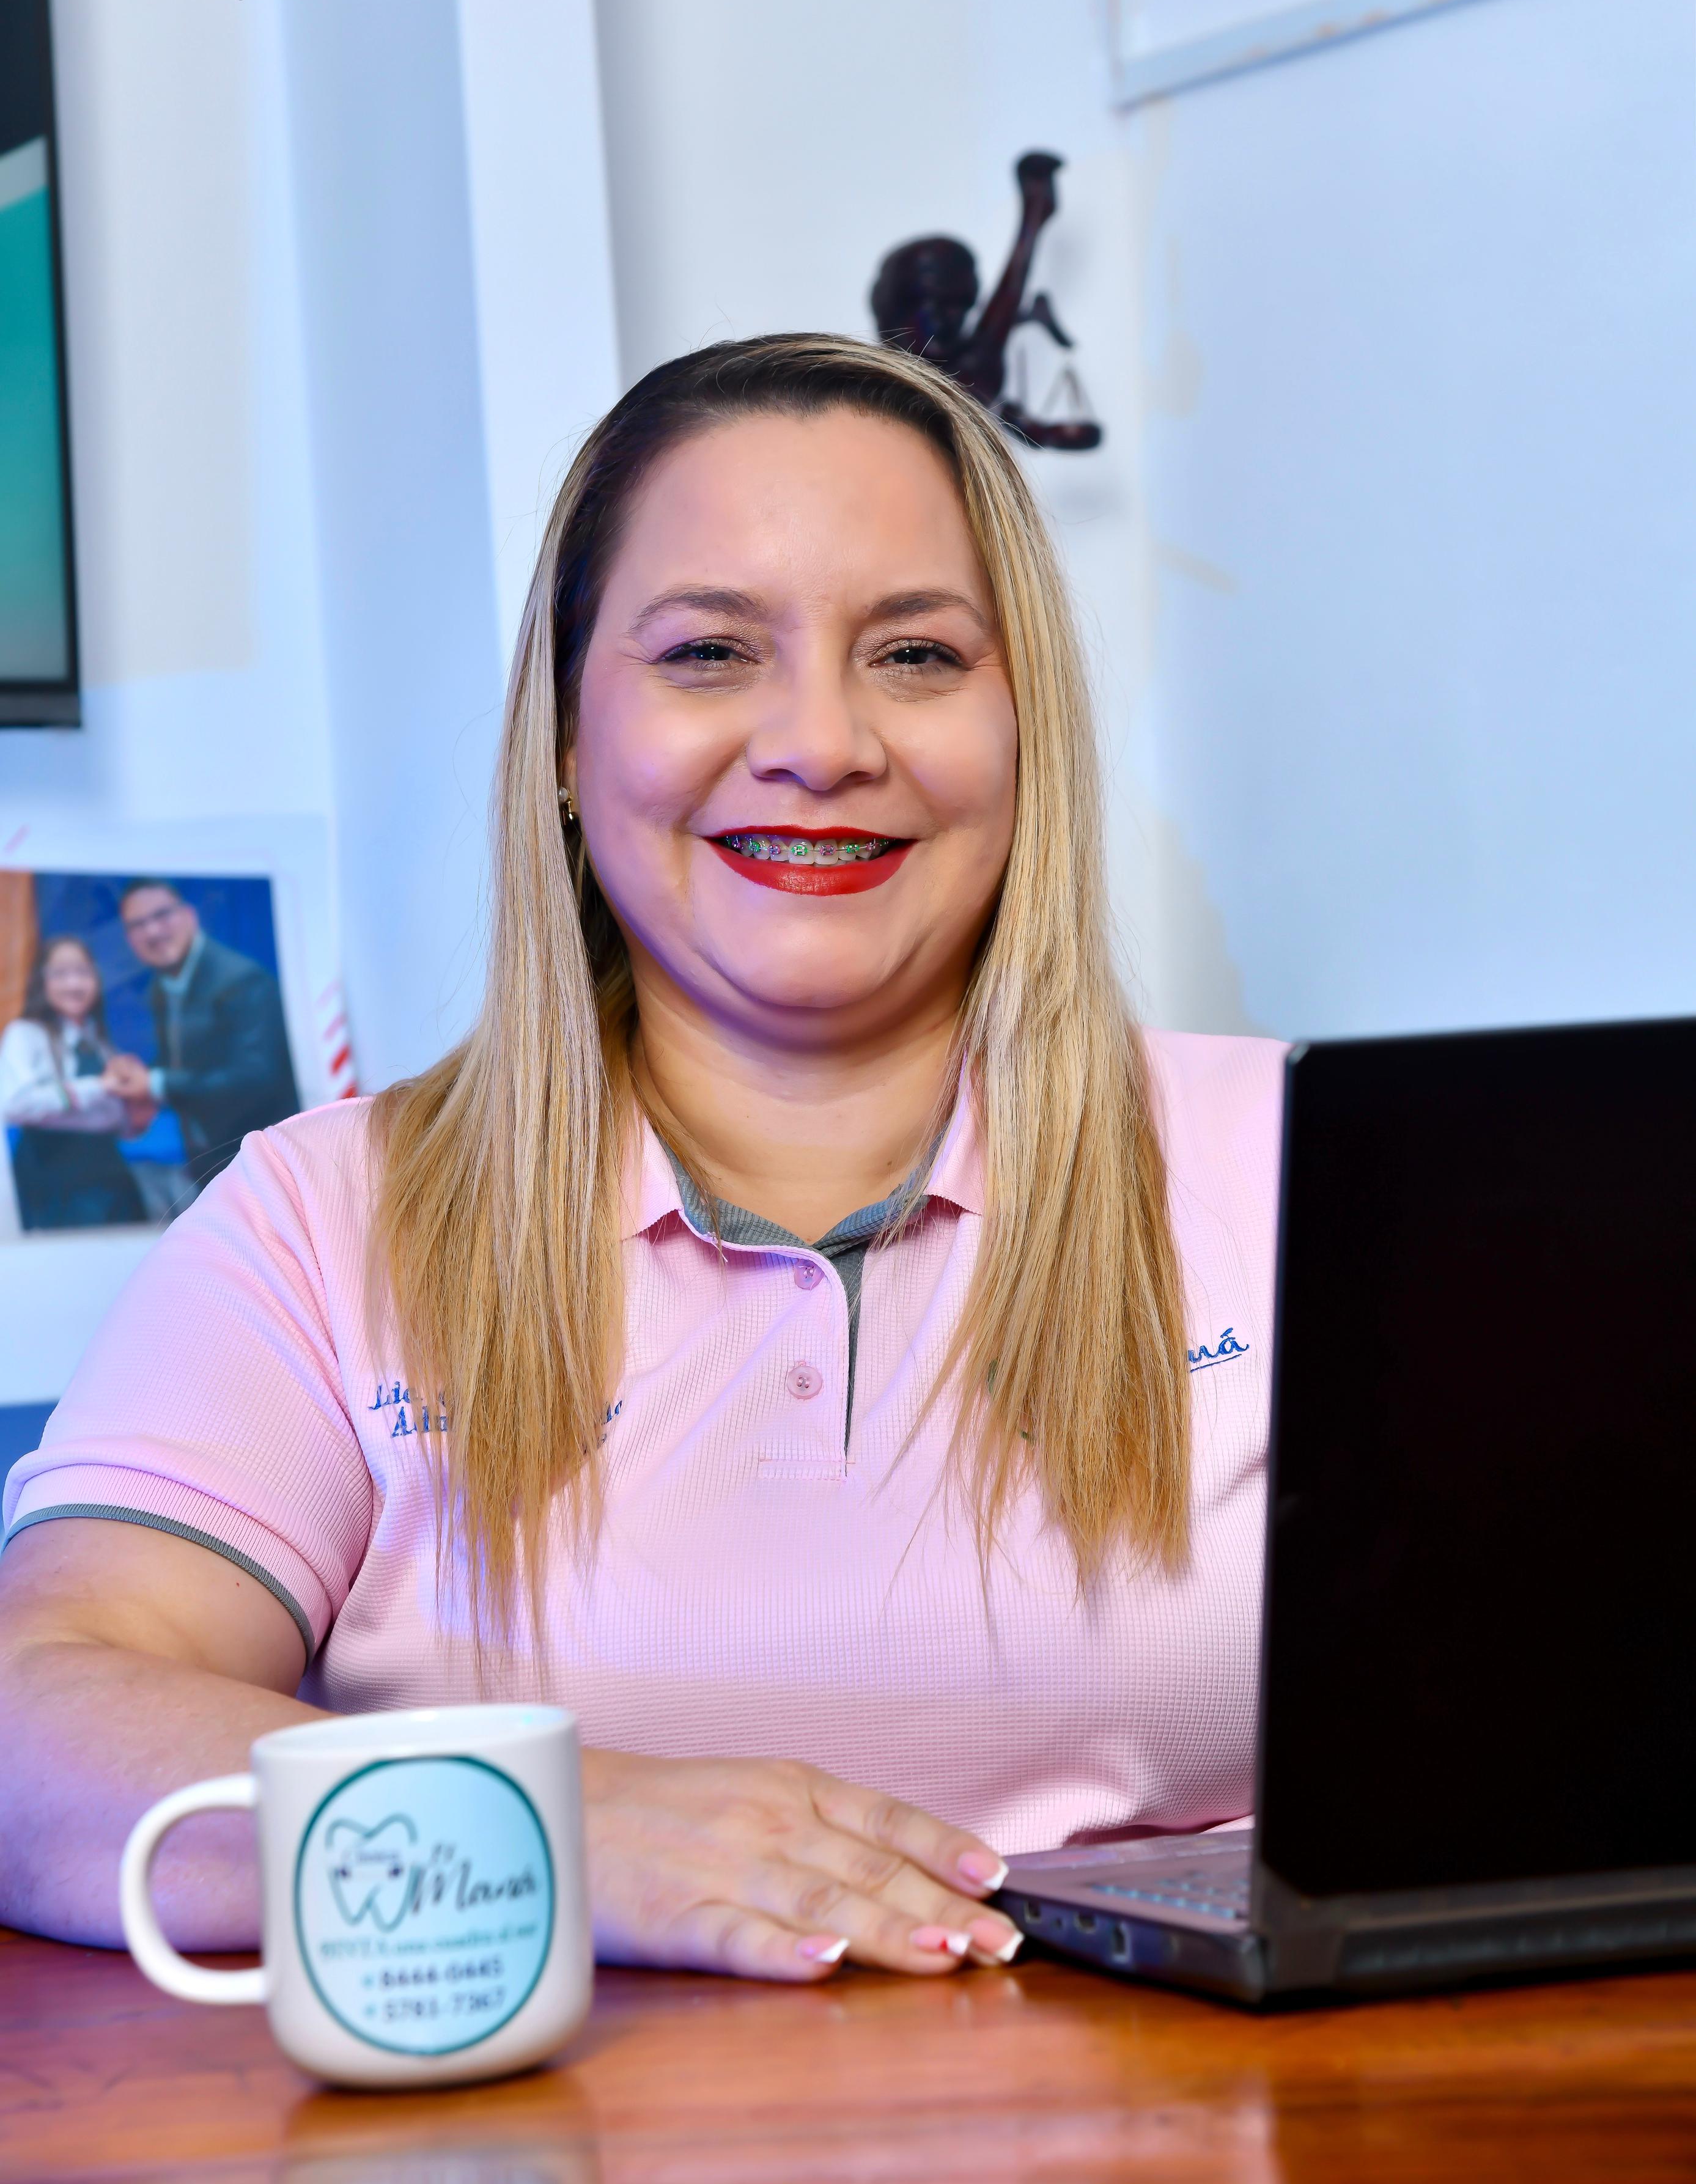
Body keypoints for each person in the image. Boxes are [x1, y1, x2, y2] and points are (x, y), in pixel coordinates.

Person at [0, 336, 1280, 1983]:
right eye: (708, 653)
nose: (821, 741)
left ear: (1022, 728)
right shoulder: (320, 1225)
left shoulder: (1294, 1158)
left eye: (912, 653)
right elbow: (35, 1733)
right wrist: (544, 1832)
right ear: (562, 736)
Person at [107, 881, 300, 1189]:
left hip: (261, 1165)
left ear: (190, 916)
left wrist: (155, 1083)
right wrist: (138, 1076)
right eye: (138, 925)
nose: (152, 932)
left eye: (161, 915)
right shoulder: (161, 987)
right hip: (208, 1160)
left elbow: (256, 1078)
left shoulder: (241, 981)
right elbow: (185, 1060)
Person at [0, 936, 147, 1232]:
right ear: (42, 980)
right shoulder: (25, 1034)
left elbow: (118, 1124)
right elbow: (14, 1105)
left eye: (83, 972)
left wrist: (137, 1106)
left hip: (109, 1175)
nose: (74, 984)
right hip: (52, 1178)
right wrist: (99, 1087)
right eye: (61, 974)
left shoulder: (100, 1041)